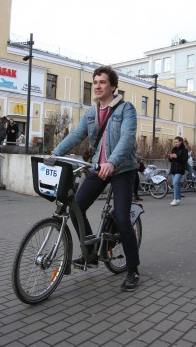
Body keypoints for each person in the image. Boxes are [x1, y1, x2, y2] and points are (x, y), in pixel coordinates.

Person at [51, 66, 141, 292]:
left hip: (121, 169)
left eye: (103, 82)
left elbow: (127, 138)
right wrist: (55, 153)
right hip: (97, 168)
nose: (98, 86)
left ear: (113, 86)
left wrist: (112, 162)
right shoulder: (92, 112)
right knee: (75, 207)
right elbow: (76, 134)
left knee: (121, 217)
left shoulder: (126, 109)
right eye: (95, 82)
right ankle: (90, 254)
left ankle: (133, 269)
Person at [168, 137, 189, 206]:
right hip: (173, 169)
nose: (175, 143)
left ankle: (175, 199)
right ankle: (178, 199)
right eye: (174, 142)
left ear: (181, 142)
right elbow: (170, 160)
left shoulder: (184, 150)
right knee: (176, 184)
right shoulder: (173, 149)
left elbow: (184, 160)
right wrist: (170, 157)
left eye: (177, 142)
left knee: (175, 183)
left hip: (180, 169)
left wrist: (177, 157)